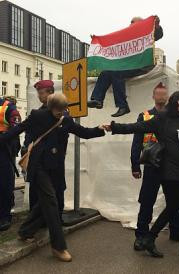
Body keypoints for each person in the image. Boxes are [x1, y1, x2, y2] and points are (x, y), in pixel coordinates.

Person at [105, 90, 179, 258]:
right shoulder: (162, 119)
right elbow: (137, 127)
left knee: (175, 206)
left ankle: (152, 239)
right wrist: (114, 127)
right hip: (168, 172)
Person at [0, 93, 106, 261]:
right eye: (58, 111)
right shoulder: (37, 116)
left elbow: (83, 132)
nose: (61, 114)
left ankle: (25, 231)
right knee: (51, 203)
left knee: (45, 202)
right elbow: (17, 130)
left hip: (56, 168)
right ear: (50, 108)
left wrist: (100, 129)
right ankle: (58, 247)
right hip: (39, 166)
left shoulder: (66, 119)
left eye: (63, 110)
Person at [131, 83, 179, 251]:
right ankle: (141, 235)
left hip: (170, 166)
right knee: (147, 201)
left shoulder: (174, 116)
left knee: (174, 200)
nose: (161, 97)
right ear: (153, 96)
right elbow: (137, 142)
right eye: (158, 94)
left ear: (167, 97)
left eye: (164, 94)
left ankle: (175, 230)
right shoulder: (144, 116)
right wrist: (135, 165)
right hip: (152, 165)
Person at [87, 16, 164, 117]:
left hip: (142, 65)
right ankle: (97, 100)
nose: (131, 25)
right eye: (130, 23)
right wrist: (100, 42)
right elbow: (114, 45)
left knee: (116, 72)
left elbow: (158, 34)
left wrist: (156, 26)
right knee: (106, 72)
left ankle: (123, 106)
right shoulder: (128, 36)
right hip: (129, 66)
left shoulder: (147, 33)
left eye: (133, 23)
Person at [22, 80, 67, 217]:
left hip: (56, 158)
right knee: (37, 192)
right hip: (39, 159)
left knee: (57, 189)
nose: (39, 96)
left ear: (51, 93)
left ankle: (56, 220)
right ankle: (38, 222)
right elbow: (29, 132)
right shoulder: (38, 113)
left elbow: (64, 135)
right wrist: (26, 146)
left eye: (41, 93)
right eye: (38, 93)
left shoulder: (62, 112)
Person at [0, 96, 21, 231]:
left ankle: (4, 217)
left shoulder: (7, 107)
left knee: (4, 184)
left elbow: (17, 128)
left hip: (3, 151)